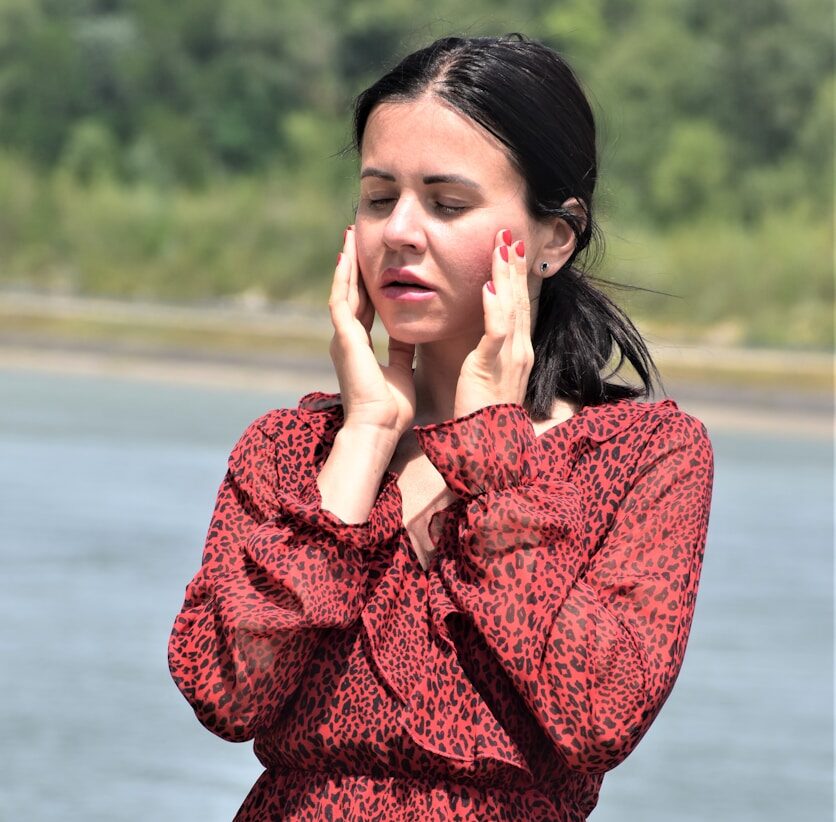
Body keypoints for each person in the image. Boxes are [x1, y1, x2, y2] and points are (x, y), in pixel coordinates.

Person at [168, 34, 714, 821]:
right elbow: (226, 693)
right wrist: (363, 436)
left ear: (554, 237)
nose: (400, 232)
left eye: (447, 203)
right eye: (379, 197)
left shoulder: (641, 456)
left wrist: (493, 452)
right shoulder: (292, 451)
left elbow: (601, 713)